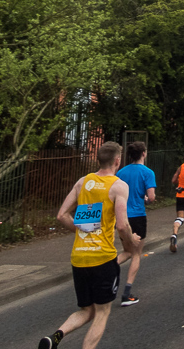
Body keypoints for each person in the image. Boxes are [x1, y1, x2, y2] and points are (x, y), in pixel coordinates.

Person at [38, 141, 136, 349]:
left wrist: (84, 232)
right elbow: (122, 225)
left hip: (79, 258)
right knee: (102, 312)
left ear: (99, 159)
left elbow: (62, 215)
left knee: (87, 310)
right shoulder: (119, 186)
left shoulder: (83, 182)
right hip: (102, 258)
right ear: (117, 161)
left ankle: (54, 337)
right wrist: (131, 243)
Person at [115, 141, 156, 306]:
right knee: (136, 254)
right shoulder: (148, 172)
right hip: (138, 216)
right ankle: (127, 293)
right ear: (144, 154)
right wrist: (145, 200)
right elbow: (151, 197)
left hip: (122, 216)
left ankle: (105, 269)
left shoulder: (121, 172)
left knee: (127, 251)